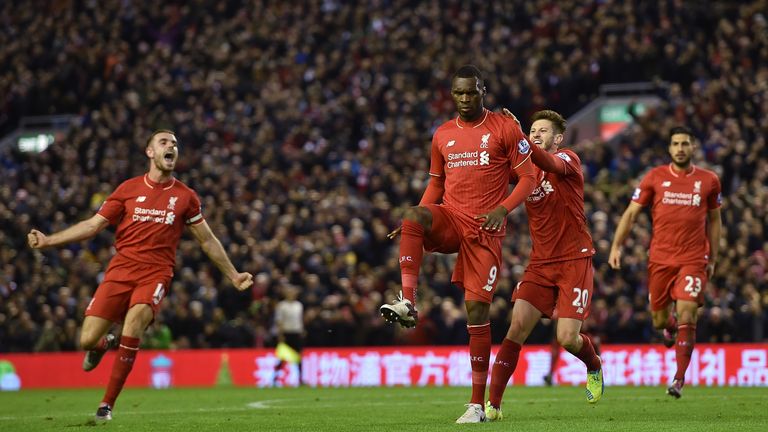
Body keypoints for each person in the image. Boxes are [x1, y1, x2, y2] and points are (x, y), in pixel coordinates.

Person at [27, 130, 254, 420]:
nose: (171, 146)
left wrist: (233, 275)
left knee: (134, 322)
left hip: (156, 273)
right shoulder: (128, 189)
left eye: (175, 144)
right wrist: (49, 241)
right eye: (164, 142)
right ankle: (103, 344)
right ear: (150, 152)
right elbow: (92, 226)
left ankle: (106, 406)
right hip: (120, 269)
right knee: (85, 340)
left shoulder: (185, 197)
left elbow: (207, 240)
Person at [379, 65, 537, 423]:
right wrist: (412, 220)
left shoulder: (505, 129)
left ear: (483, 91)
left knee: (476, 311)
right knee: (412, 215)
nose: (465, 99)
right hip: (452, 218)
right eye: (459, 93)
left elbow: (527, 179)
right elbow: (436, 186)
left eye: (471, 92)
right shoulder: (443, 134)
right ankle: (408, 302)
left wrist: (503, 208)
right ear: (452, 95)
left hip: (485, 229)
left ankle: (477, 405)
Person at [484, 109, 603, 421]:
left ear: (558, 138)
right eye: (533, 130)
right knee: (516, 327)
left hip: (575, 259)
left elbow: (546, 161)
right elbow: (496, 169)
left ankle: (593, 364)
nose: (536, 134)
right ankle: (493, 405)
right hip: (540, 263)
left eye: (542, 131)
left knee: (567, 338)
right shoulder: (527, 170)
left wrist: (519, 136)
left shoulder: (568, 159)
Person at [609, 126, 721, 398]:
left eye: (685, 143)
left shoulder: (709, 180)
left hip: (693, 258)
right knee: (660, 321)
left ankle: (679, 379)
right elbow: (631, 213)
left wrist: (713, 257)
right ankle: (669, 328)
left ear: (693, 147)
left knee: (687, 313)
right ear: (669, 149)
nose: (680, 148)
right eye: (676, 144)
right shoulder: (654, 177)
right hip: (660, 259)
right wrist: (616, 246)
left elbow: (715, 221)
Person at [273, 285, 304, 386]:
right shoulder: (282, 305)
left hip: (296, 332)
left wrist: (302, 330)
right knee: (282, 358)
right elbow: (279, 321)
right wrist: (280, 335)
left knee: (298, 357)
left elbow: (300, 320)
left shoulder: (299, 305)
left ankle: (300, 379)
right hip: (286, 333)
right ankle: (275, 378)